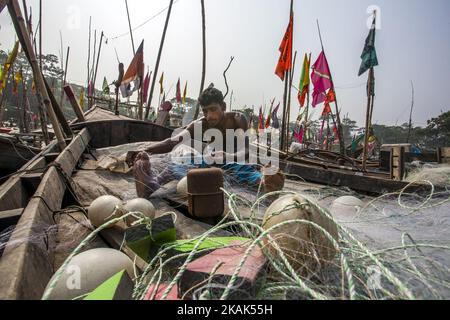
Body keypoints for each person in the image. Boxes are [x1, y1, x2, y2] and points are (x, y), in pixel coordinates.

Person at [126, 85, 284, 199]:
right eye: (205, 111)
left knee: (245, 171)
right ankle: (151, 185)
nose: (209, 115)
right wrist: (146, 149)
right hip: (208, 164)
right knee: (178, 163)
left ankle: (267, 183)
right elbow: (172, 141)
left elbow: (246, 150)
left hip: (236, 164)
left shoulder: (237, 119)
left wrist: (229, 155)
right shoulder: (200, 124)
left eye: (213, 109)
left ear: (223, 106)